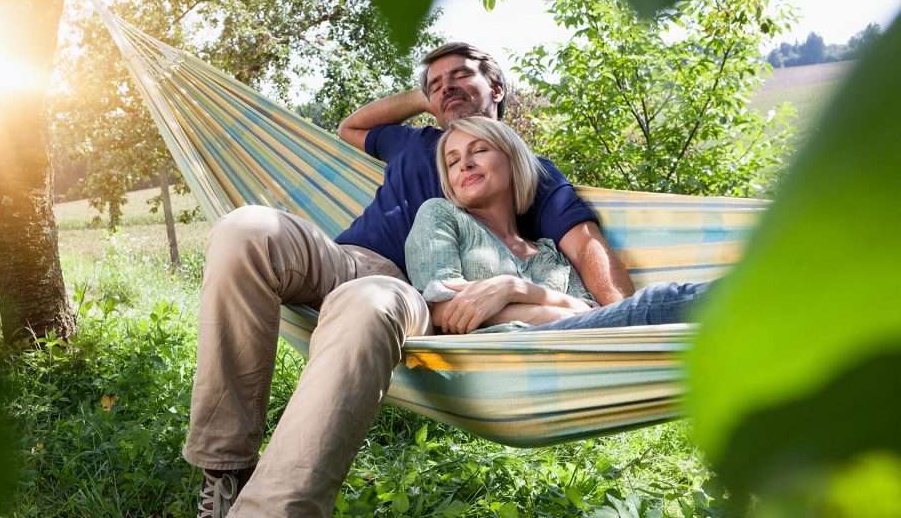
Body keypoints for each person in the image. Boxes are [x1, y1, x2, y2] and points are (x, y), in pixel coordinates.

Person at [185, 42, 634, 518]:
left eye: (460, 77)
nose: (446, 89)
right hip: (348, 259)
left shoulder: (526, 170)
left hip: (416, 295)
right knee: (246, 229)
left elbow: (585, 246)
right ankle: (225, 469)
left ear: (497, 87)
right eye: (434, 84)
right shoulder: (413, 141)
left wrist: (627, 323)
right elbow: (351, 127)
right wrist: (430, 98)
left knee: (368, 301)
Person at [405, 115, 708, 335]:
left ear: (513, 161)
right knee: (657, 304)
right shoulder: (440, 214)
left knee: (656, 307)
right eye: (453, 161)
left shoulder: (550, 253)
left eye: (479, 150)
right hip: (502, 355)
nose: (465, 164)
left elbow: (592, 313)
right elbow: (443, 310)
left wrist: (514, 289)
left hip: (577, 347)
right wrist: (553, 305)